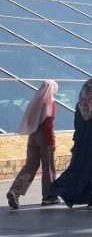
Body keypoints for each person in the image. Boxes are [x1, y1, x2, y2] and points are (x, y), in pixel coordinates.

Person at [49, 78, 92, 210]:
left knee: (80, 169)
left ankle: (66, 193)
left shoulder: (80, 104)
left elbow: (77, 125)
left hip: (82, 142)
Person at [6, 80, 59, 209]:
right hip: (45, 138)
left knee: (30, 165)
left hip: (33, 137)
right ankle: (49, 197)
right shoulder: (50, 103)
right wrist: (51, 141)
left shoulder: (34, 103)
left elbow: (29, 121)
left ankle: (15, 191)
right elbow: (49, 124)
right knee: (48, 167)